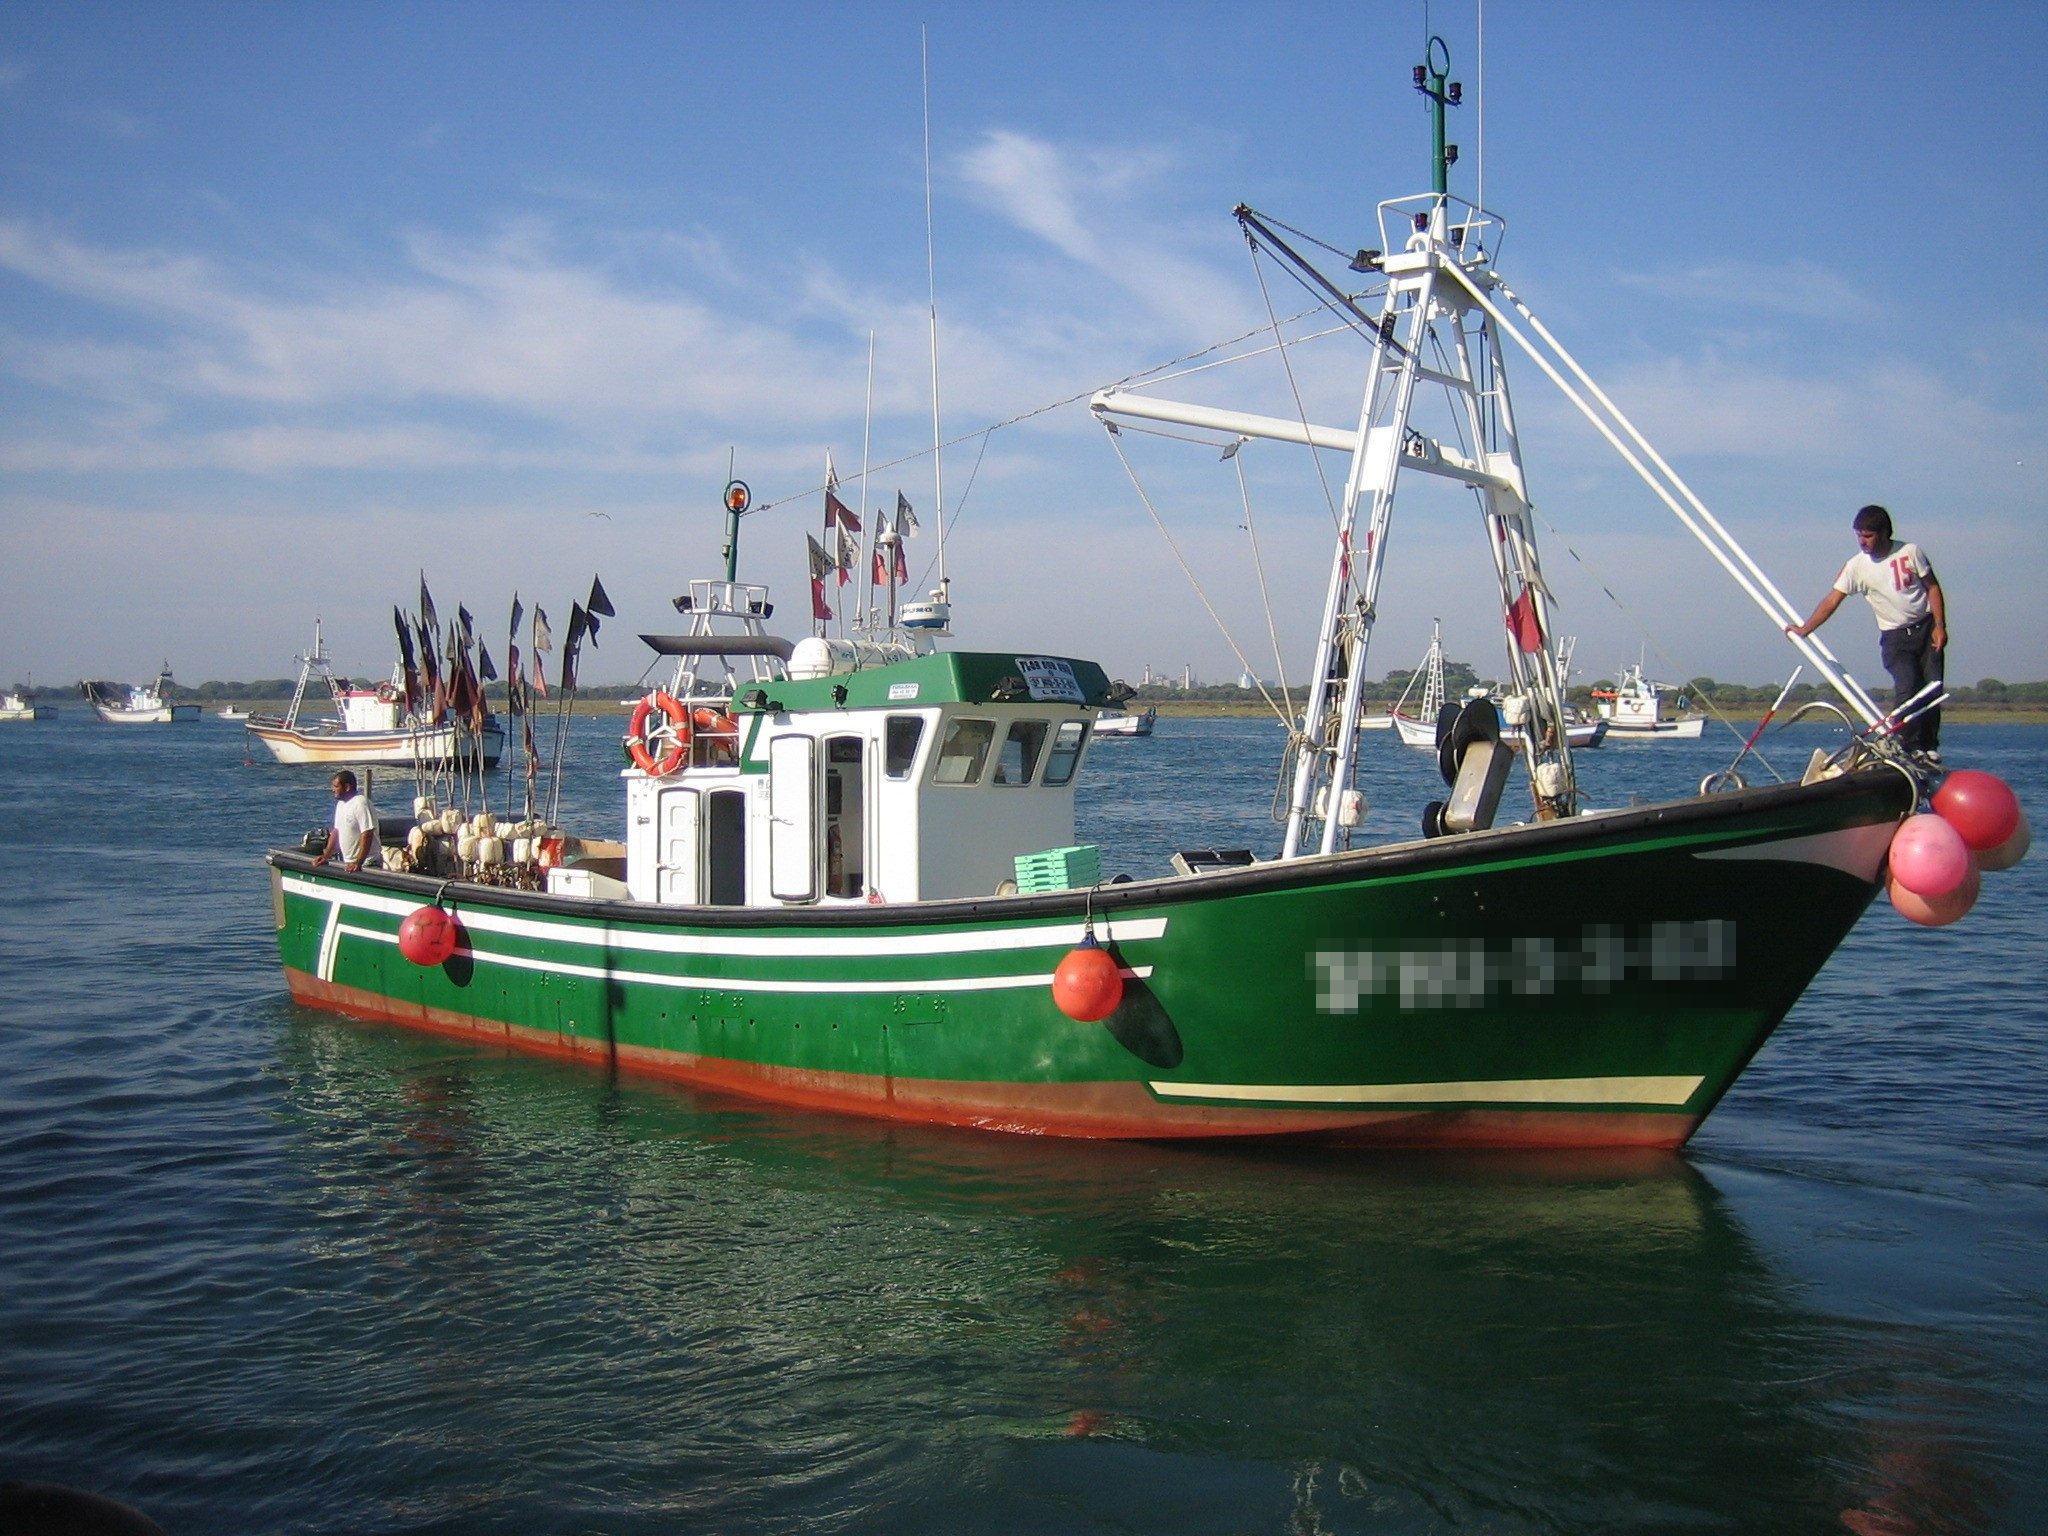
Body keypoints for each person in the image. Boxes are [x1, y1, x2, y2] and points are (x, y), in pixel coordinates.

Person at [1786, 504, 1947, 761]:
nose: (1863, 541)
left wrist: (1940, 626)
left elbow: (1933, 588)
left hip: (1926, 628)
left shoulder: (1910, 552)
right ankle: (1905, 743)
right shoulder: (1856, 566)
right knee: (1908, 687)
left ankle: (1928, 747)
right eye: (1859, 535)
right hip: (1895, 637)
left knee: (1931, 689)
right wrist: (1805, 629)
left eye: (1868, 535)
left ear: (1884, 533)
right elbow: (1832, 600)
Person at [315, 769, 379, 872]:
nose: (332, 790)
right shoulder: (341, 804)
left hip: (367, 862)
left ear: (347, 787)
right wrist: (326, 855)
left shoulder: (360, 803)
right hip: (348, 861)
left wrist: (359, 862)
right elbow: (336, 831)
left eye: (336, 786)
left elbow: (367, 833)